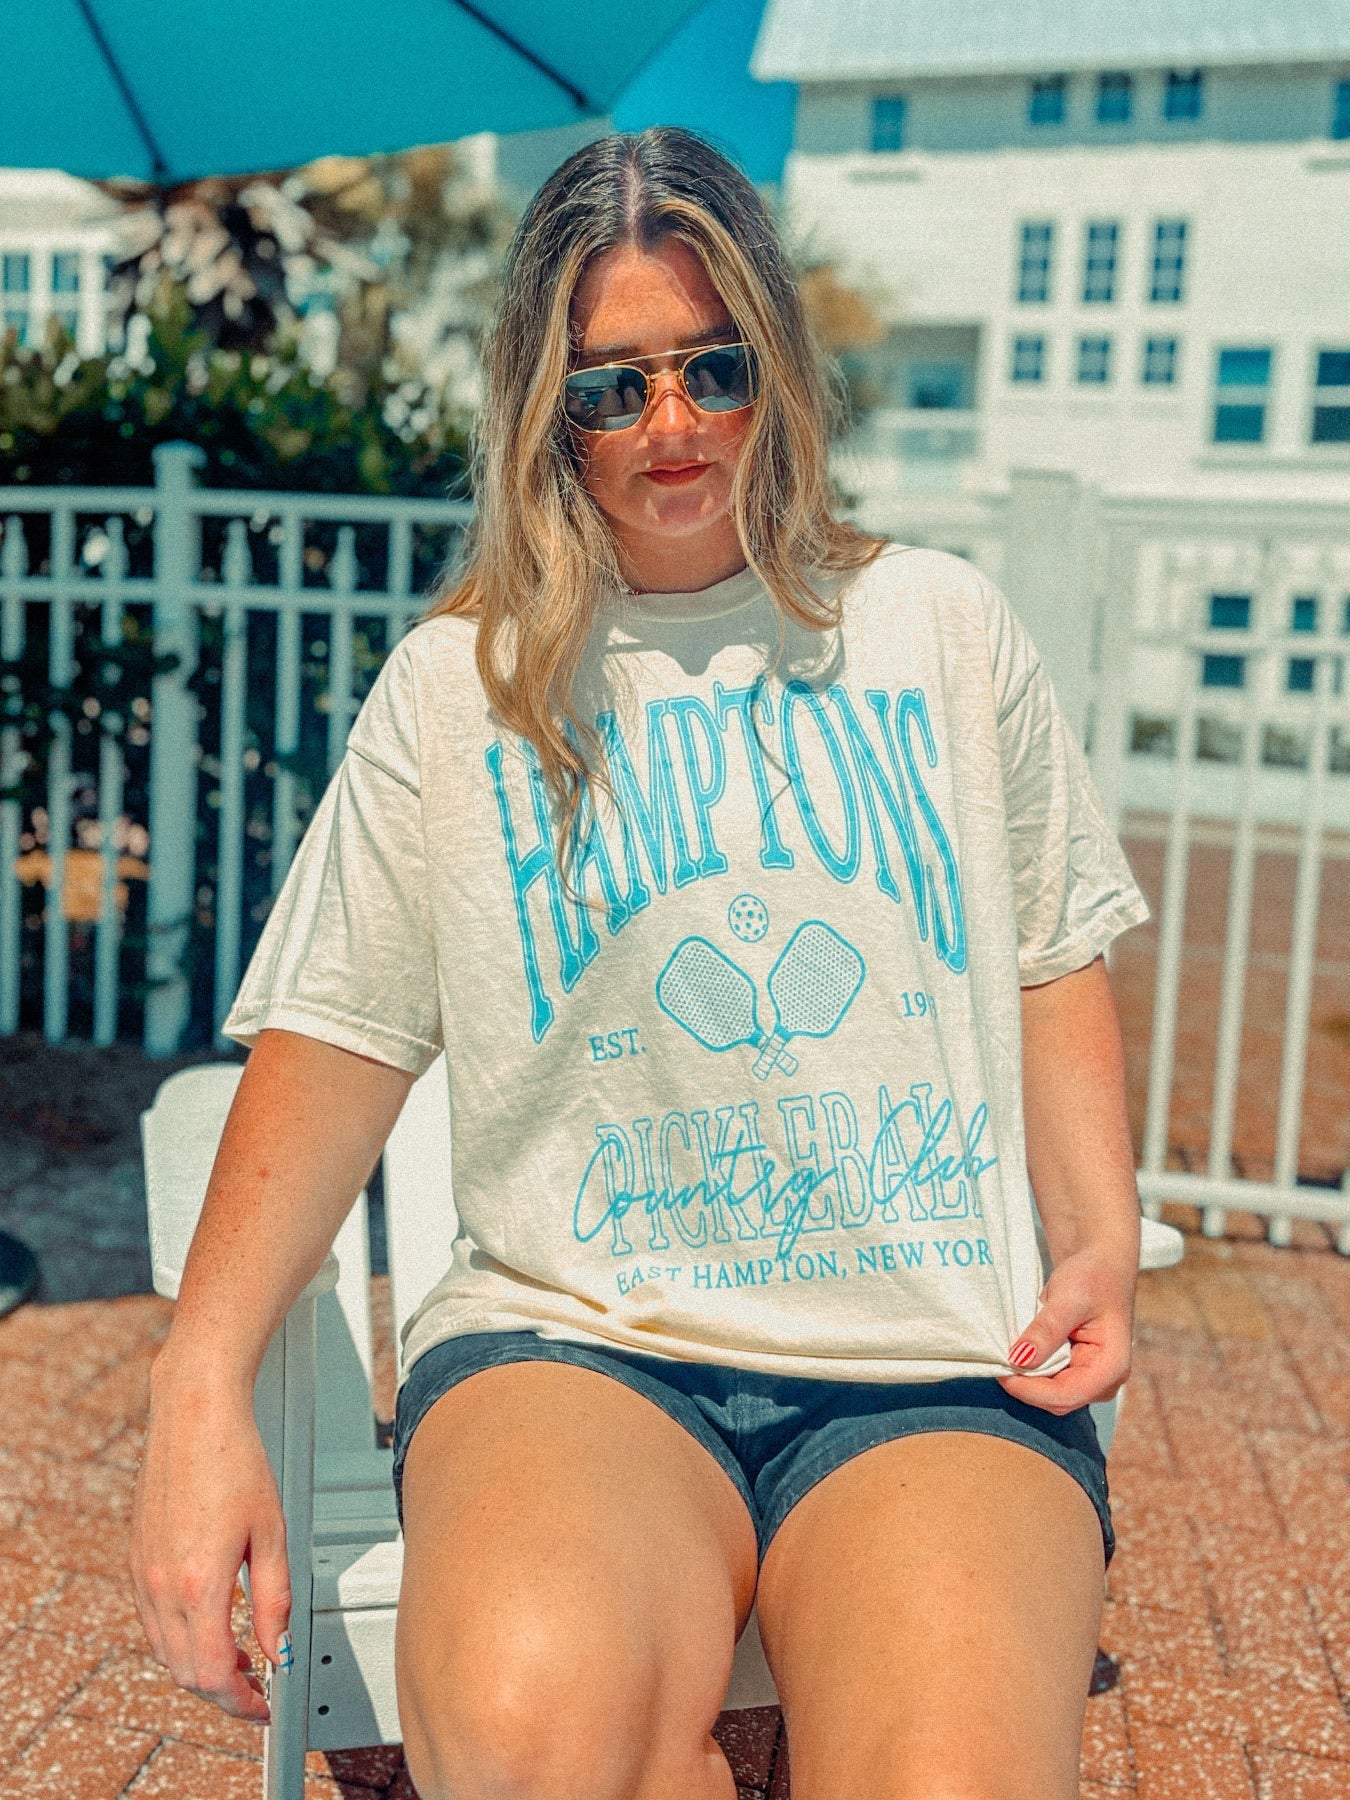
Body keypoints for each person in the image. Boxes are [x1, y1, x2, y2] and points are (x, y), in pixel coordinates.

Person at [131, 128, 1151, 1800]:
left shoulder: (940, 632)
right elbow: (335, 1039)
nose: (670, 424)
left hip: (920, 1360)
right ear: (547, 410)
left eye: (712, 367)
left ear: (777, 369)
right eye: (610, 387)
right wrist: (198, 1387)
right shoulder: (459, 690)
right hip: (576, 1349)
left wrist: (1099, 1237)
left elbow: (1048, 953)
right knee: (539, 1745)